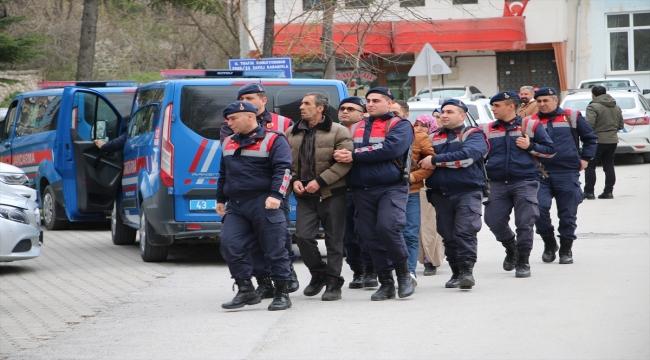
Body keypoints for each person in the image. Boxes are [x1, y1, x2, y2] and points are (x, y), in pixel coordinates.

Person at [333, 87, 415, 301]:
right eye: (368, 100)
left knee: (388, 227)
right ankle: (386, 282)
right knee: (370, 235)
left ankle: (404, 275)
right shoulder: (356, 126)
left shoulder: (400, 125)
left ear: (389, 103)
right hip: (361, 189)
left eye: (376, 100)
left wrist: (354, 155)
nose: (370, 104)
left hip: (391, 186)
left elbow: (391, 149)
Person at [220, 83, 300, 297]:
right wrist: (220, 198)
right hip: (237, 204)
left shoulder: (276, 134)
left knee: (276, 247)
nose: (228, 123)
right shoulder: (228, 139)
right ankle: (249, 289)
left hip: (267, 200)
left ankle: (282, 290)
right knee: (231, 245)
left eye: (233, 119)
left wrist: (276, 194)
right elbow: (224, 171)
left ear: (250, 116)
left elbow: (284, 169)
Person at [479, 91, 555, 278]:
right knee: (493, 220)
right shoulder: (487, 129)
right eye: (493, 106)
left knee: (525, 223)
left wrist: (530, 146)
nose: (493, 109)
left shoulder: (530, 125)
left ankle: (523, 260)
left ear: (510, 106)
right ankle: (510, 247)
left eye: (497, 105)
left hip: (525, 181)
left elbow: (550, 151)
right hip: (497, 182)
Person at [286, 93, 353, 301]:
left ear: (321, 108)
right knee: (304, 237)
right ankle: (318, 273)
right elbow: (285, 161)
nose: (302, 107)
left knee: (334, 241)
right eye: (301, 103)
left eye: (307, 103)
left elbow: (345, 162)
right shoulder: (291, 132)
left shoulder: (339, 131)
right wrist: (294, 179)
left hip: (332, 194)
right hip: (305, 196)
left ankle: (334, 282)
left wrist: (320, 181)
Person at [419, 99, 489, 290]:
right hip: (440, 193)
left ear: (462, 115)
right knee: (448, 235)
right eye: (443, 112)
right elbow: (420, 160)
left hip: (467, 191)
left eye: (450, 112)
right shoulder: (433, 137)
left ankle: (467, 272)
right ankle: (456, 272)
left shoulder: (473, 134)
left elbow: (466, 158)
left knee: (465, 231)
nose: (444, 115)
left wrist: (434, 160)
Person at [527, 87, 598, 264]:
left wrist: (586, 158)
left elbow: (590, 138)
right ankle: (549, 243)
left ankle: (566, 249)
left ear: (555, 100)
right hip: (540, 172)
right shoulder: (529, 121)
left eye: (546, 100)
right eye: (539, 101)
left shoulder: (571, 116)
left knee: (567, 213)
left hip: (567, 172)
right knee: (538, 210)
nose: (542, 104)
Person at [390, 100, 434, 284]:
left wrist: (413, 177)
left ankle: (410, 273)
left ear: (406, 115)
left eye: (395, 113)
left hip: (411, 191)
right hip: (385, 191)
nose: (391, 117)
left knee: (409, 232)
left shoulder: (419, 137)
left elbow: (431, 162)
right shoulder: (382, 134)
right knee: (388, 231)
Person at [338, 97, 377, 289]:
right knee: (348, 235)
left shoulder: (368, 131)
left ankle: (371, 270)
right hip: (340, 190)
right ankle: (358, 271)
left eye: (351, 109)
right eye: (342, 108)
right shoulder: (333, 131)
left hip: (362, 188)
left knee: (365, 232)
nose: (345, 111)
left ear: (362, 114)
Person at [413, 114, 446, 276]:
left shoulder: (437, 139)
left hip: (431, 185)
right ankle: (423, 257)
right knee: (417, 225)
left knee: (430, 224)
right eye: (416, 124)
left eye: (423, 125)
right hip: (416, 184)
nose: (419, 128)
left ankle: (431, 260)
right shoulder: (413, 138)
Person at [584, 85, 624, 200]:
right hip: (612, 140)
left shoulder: (593, 106)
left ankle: (589, 192)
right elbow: (621, 125)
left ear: (593, 95)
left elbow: (589, 125)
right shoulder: (616, 106)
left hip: (597, 140)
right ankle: (608, 192)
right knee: (609, 165)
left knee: (590, 165)